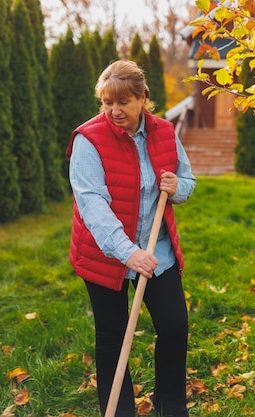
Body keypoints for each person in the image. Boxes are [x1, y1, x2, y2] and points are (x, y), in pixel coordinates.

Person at [66, 60, 196, 417]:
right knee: (112, 336)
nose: (114, 110)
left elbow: (187, 182)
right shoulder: (88, 140)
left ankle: (170, 407)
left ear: (142, 98)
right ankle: (119, 410)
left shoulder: (165, 133)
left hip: (157, 250)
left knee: (174, 325)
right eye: (107, 102)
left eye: (122, 102)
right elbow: (92, 205)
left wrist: (177, 186)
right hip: (105, 253)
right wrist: (128, 254)